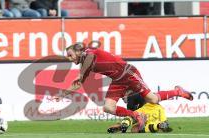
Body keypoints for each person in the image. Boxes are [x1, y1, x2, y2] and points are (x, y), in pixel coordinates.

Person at [54, 41, 193, 131]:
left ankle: (177, 91)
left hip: (129, 73)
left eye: (70, 55)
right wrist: (62, 94)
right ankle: (137, 116)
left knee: (153, 99)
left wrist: (81, 72)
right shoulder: (85, 66)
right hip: (117, 80)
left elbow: (89, 58)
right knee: (108, 107)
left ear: (78, 52)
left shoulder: (89, 52)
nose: (69, 58)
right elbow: (78, 84)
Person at [108, 93, 172, 133]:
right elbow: (164, 120)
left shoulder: (135, 100)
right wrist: (163, 124)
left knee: (131, 117)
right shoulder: (160, 108)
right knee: (149, 126)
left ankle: (124, 124)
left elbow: (132, 113)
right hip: (152, 115)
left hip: (143, 112)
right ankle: (157, 126)